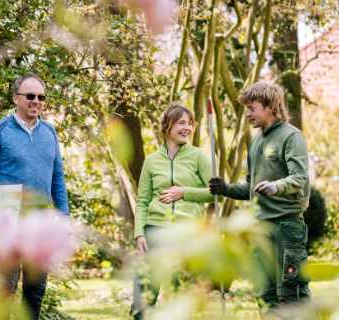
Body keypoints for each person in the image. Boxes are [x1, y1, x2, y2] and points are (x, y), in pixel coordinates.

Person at [209, 82, 310, 312]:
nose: (247, 114)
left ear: (271, 107)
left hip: (287, 227)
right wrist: (225, 188)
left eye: (252, 108)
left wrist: (276, 187)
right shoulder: (256, 143)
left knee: (292, 293)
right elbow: (250, 187)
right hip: (261, 229)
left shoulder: (291, 137)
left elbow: (299, 178)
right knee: (265, 295)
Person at [0, 73, 69, 319]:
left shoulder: (50, 133)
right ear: (16, 98)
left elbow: (57, 178)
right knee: (4, 288)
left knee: (35, 291)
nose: (36, 101)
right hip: (6, 220)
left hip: (39, 223)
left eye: (41, 97)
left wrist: (64, 216)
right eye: (30, 96)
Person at [132, 104, 213, 320]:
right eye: (181, 123)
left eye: (190, 123)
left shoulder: (198, 157)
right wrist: (139, 233)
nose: (187, 128)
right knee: (143, 299)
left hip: (186, 233)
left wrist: (184, 192)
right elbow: (142, 201)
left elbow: (216, 193)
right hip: (154, 232)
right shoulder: (151, 161)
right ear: (168, 125)